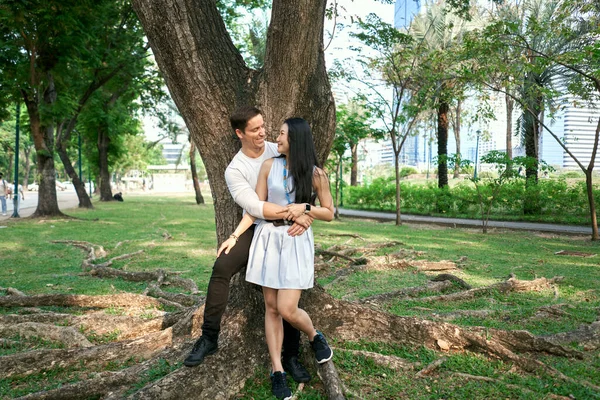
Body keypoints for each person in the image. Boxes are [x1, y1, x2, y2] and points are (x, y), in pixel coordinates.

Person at [183, 107, 313, 385]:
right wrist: (297, 212)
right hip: (256, 226)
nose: (263, 133)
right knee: (222, 266)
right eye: (255, 129)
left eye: (263, 126)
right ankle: (209, 338)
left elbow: (305, 183)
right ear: (239, 133)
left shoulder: (277, 149)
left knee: (285, 287)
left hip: (285, 229)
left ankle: (290, 355)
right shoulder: (235, 169)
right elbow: (254, 207)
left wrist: (307, 216)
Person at [218, 118, 335, 400]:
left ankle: (314, 335)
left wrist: (306, 209)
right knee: (271, 308)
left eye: (281, 134)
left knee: (287, 308)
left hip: (295, 242)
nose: (276, 138)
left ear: (295, 139)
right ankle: (277, 370)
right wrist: (234, 236)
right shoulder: (269, 166)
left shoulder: (317, 174)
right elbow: (255, 209)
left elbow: (329, 212)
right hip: (268, 240)